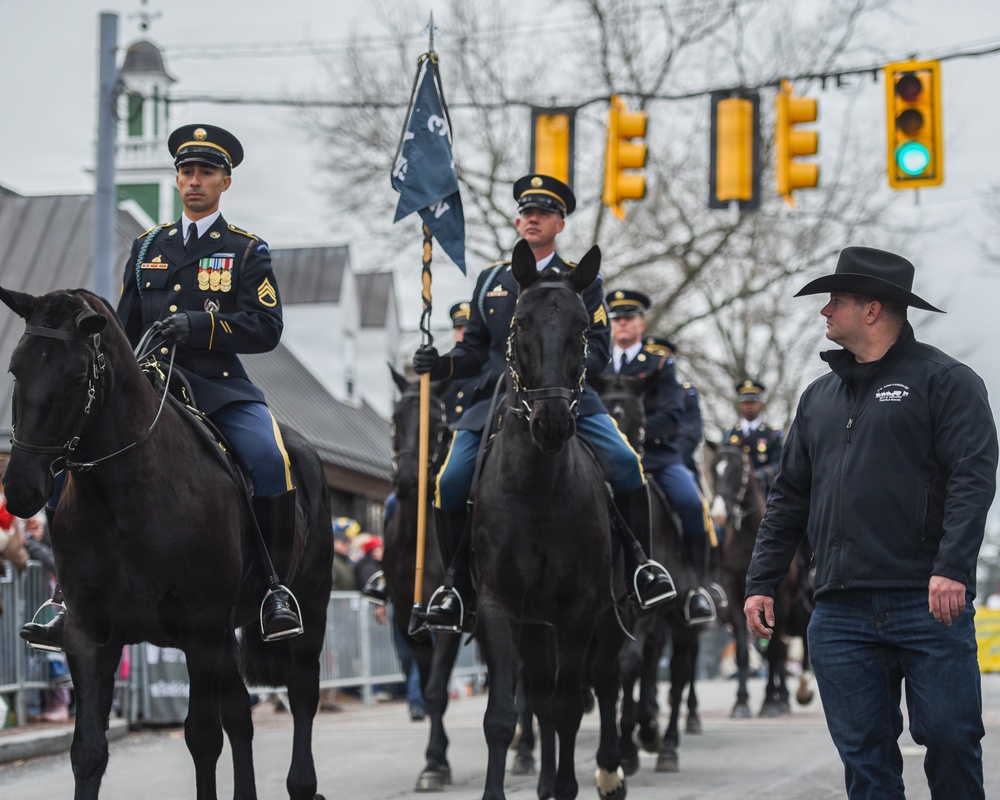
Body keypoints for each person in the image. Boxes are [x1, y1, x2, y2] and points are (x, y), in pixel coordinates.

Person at [21, 123, 302, 651]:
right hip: (148, 387)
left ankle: (273, 588)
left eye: (206, 173)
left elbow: (266, 328)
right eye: (187, 172)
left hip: (218, 387)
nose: (195, 181)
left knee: (270, 460)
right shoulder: (148, 246)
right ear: (177, 179)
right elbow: (123, 329)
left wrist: (198, 326)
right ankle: (66, 596)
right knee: (70, 463)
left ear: (225, 182)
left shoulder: (246, 250)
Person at [744, 246, 998, 800]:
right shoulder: (817, 398)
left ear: (873, 310)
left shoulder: (946, 381)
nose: (823, 311)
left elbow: (972, 481)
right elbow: (788, 497)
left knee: (953, 741)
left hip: (929, 601)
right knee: (865, 761)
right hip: (838, 610)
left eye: (835, 300)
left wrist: (952, 567)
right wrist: (761, 581)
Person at [412, 174, 675, 632]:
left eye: (544, 213)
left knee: (625, 463)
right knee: (449, 480)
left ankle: (640, 569)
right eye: (527, 212)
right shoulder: (491, 280)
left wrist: (563, 378)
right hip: (494, 396)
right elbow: (474, 350)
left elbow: (598, 345)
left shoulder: (580, 280)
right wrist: (440, 365)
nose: (532, 218)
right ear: (518, 220)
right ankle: (456, 588)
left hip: (567, 394)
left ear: (560, 224)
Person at [603, 295, 715, 624]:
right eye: (616, 318)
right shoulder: (596, 363)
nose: (621, 322)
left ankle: (696, 588)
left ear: (641, 324)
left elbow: (672, 414)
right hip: (604, 457)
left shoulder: (660, 364)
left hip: (655, 456)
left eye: (629, 317)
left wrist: (634, 435)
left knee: (692, 503)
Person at [724, 379, 783, 494]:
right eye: (746, 403)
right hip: (736, 491)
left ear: (761, 405)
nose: (749, 407)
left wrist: (764, 473)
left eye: (753, 402)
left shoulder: (772, 434)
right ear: (740, 406)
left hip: (764, 490)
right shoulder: (730, 434)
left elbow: (779, 463)